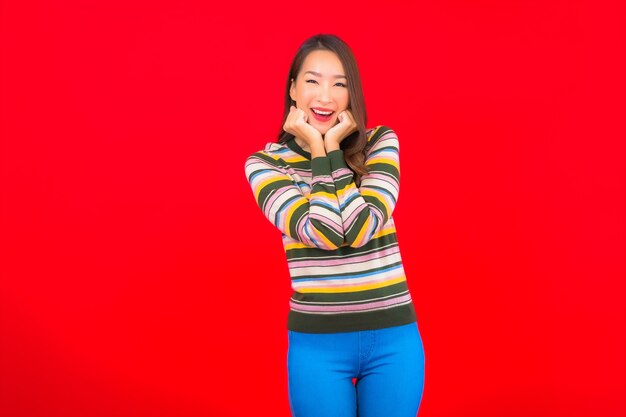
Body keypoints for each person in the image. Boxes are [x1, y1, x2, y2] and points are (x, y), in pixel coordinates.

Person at [244, 33, 425, 417]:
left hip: (393, 340)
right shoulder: (265, 164)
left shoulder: (380, 143)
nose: (325, 95)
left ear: (351, 93)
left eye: (339, 83)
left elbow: (361, 228)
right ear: (293, 89)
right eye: (312, 80)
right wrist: (317, 146)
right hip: (317, 344)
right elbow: (322, 232)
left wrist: (330, 151)